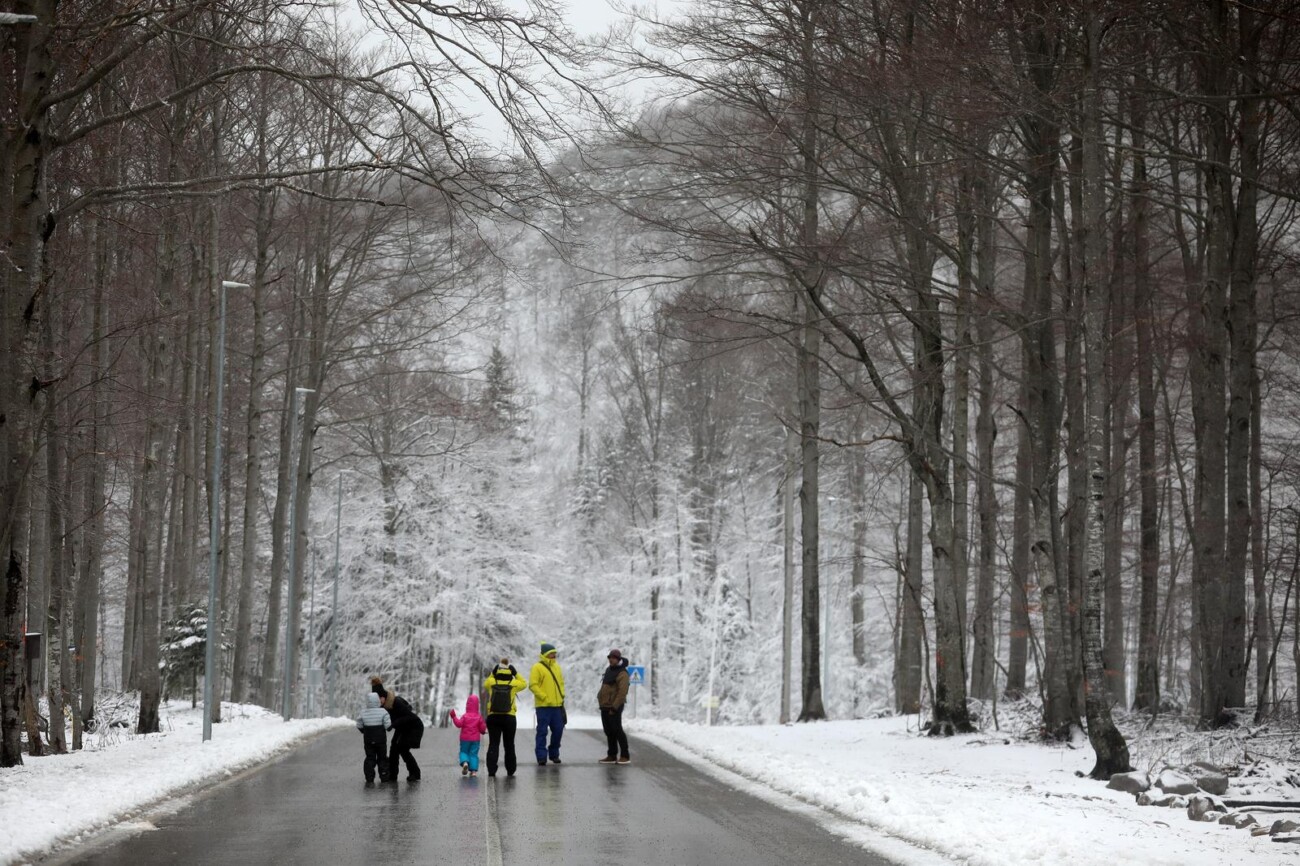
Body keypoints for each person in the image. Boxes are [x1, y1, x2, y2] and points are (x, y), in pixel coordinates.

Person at [371, 676, 424, 781]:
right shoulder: (383, 706)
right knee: (394, 748)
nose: (378, 702)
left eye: (379, 699)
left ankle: (415, 773)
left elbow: (410, 716)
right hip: (403, 728)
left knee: (402, 748)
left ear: (384, 696)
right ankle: (392, 776)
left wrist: (394, 724)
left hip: (414, 727)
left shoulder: (395, 702)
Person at [482, 658, 528, 777]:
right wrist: (515, 673)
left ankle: (491, 769)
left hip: (493, 717)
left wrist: (493, 672)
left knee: (493, 744)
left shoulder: (492, 683)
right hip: (509, 718)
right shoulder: (513, 684)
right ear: (510, 673)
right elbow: (524, 683)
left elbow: (485, 683)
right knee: (509, 744)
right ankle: (510, 769)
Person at [529, 642, 566, 765]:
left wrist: (562, 695)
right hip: (543, 706)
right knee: (542, 731)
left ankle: (554, 753)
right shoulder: (537, 667)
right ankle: (541, 756)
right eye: (551, 653)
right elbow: (533, 685)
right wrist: (544, 697)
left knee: (559, 730)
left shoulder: (557, 667)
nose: (554, 655)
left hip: (557, 706)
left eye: (555, 653)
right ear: (545, 654)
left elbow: (560, 683)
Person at [597, 649, 631, 765]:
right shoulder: (609, 670)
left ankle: (625, 756)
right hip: (605, 706)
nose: (611, 660)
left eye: (613, 658)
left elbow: (622, 692)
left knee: (617, 730)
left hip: (614, 706)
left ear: (618, 659)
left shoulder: (623, 673)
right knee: (608, 731)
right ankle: (611, 755)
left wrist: (615, 707)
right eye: (610, 657)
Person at [355, 691, 392, 784]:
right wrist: (388, 727)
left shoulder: (363, 712)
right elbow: (388, 726)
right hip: (381, 740)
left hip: (368, 740)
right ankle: (384, 775)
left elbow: (359, 724)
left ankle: (369, 777)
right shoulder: (383, 712)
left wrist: (364, 730)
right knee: (382, 758)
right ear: (378, 701)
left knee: (370, 758)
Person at [449, 693, 487, 777]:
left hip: (465, 739)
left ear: (467, 704)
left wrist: (454, 716)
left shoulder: (465, 716)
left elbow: (458, 724)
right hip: (475, 740)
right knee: (473, 754)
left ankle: (465, 762)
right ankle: (473, 772)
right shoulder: (479, 717)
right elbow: (482, 729)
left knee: (463, 752)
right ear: (477, 705)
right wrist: (484, 729)